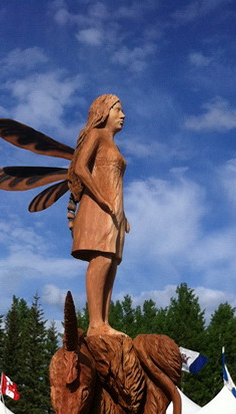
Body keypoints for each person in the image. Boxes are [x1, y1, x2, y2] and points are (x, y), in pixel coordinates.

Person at [68, 94, 129, 336]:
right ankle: (95, 324)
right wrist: (102, 198)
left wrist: (124, 216)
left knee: (112, 262)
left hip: (115, 213)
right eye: (118, 110)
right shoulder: (96, 135)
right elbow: (81, 167)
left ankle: (104, 321)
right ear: (104, 112)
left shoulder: (113, 144)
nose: (122, 115)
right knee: (101, 258)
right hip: (98, 207)